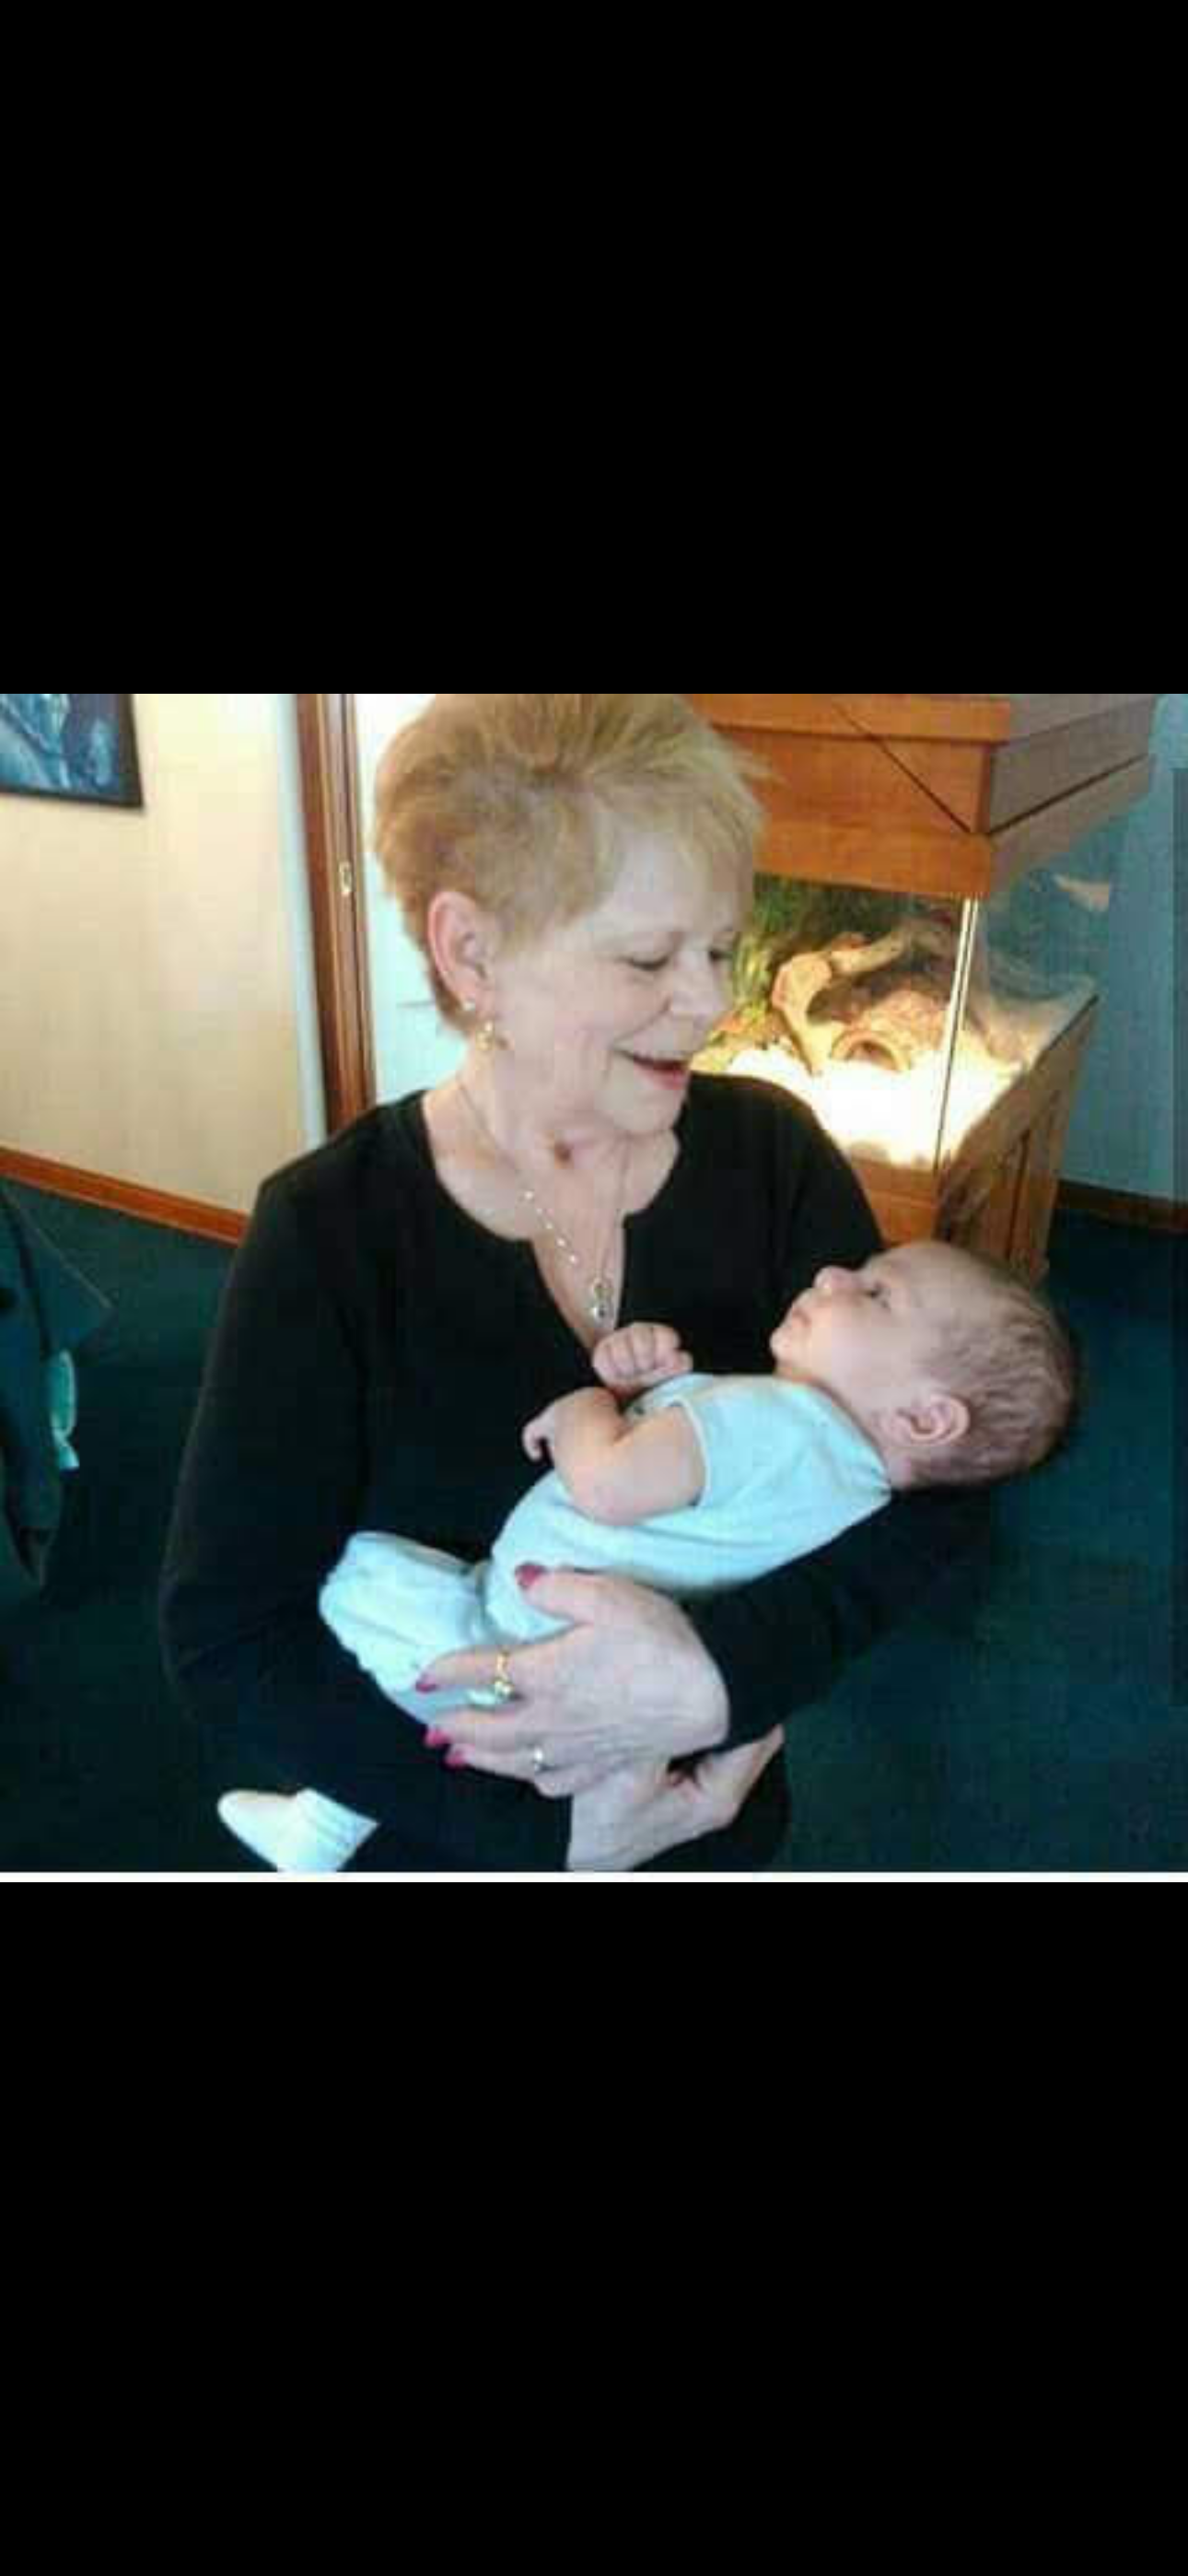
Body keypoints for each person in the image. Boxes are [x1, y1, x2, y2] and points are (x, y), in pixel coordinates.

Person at [160, 693, 998, 1876]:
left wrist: (717, 1679)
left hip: (714, 1820)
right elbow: (226, 1639)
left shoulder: (772, 1156)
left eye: (720, 947)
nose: (710, 1001)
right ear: (472, 952)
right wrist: (551, 1833)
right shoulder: (329, 1232)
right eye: (651, 957)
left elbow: (947, 1494)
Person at [215, 1242, 1078, 1872]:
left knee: (358, 1580)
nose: (832, 1274)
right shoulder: (853, 1487)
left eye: (878, 1293)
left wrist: (587, 1407)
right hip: (591, 1666)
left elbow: (609, 1487)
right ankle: (326, 1828)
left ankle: (329, 1825)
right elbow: (702, 1504)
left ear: (927, 1420)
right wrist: (652, 1389)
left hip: (517, 1626)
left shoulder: (775, 1421)